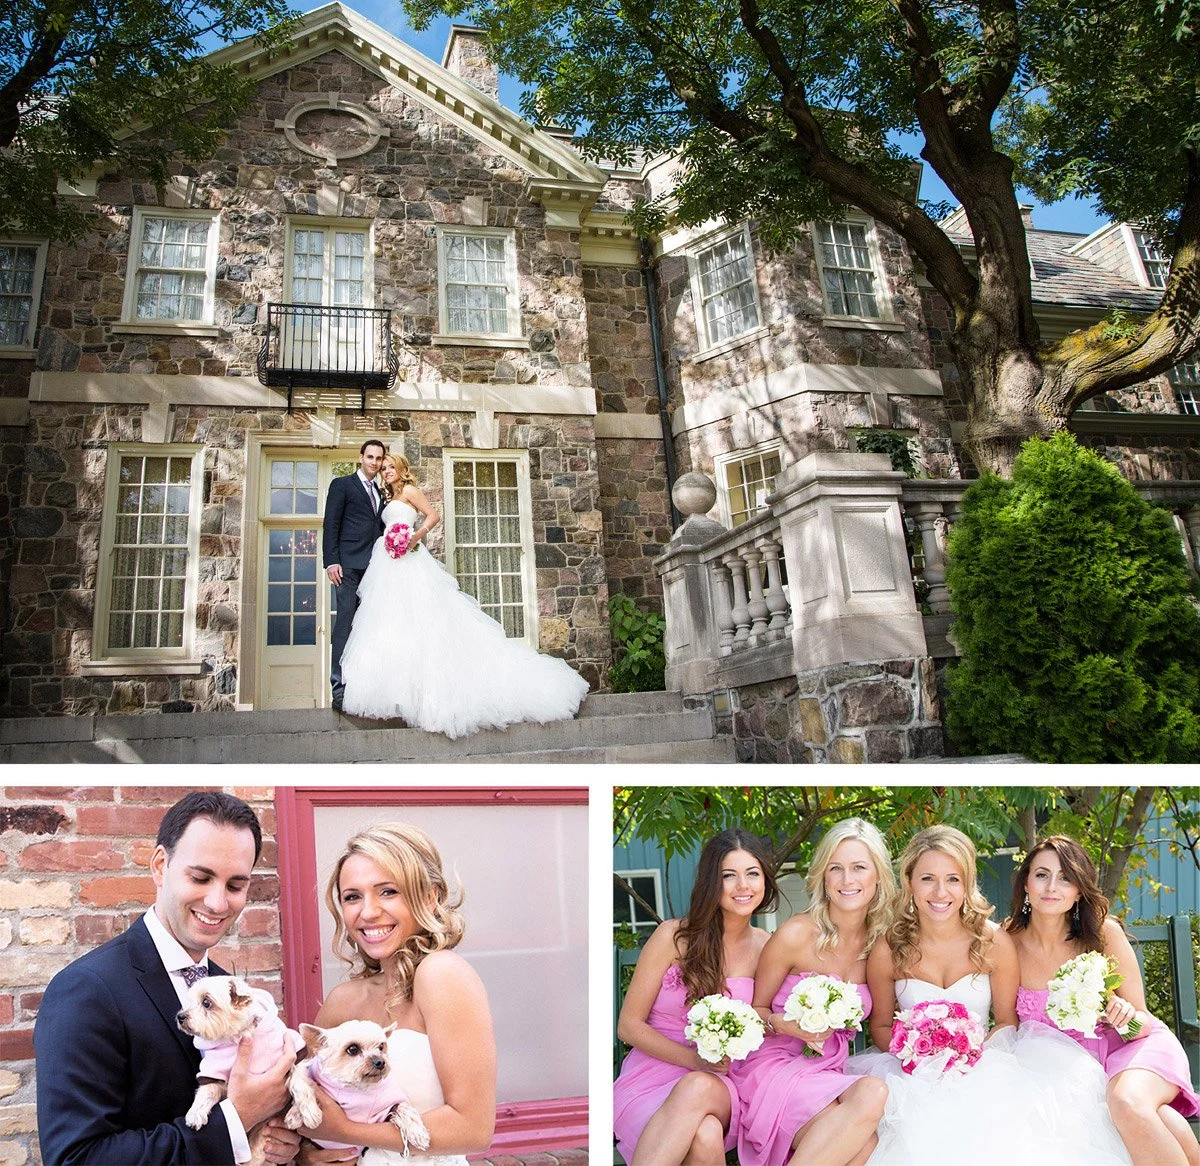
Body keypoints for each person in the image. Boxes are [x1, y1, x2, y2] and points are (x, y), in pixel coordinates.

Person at [35, 792, 299, 1165]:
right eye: (200, 877)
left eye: (235, 886)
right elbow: (76, 1158)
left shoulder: (229, 990)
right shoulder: (87, 989)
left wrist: (274, 1140)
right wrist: (236, 1121)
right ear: (160, 866)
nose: (218, 903)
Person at [853, 824, 1131, 1166]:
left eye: (953, 879)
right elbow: (880, 1027)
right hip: (909, 1074)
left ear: (967, 883)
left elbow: (1006, 1021)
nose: (941, 892)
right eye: (927, 879)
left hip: (983, 1066)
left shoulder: (993, 941)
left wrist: (966, 1058)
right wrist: (916, 1057)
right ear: (909, 881)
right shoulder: (888, 949)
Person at [338, 453, 590, 736]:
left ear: (401, 468)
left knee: (426, 621)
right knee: (394, 625)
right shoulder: (387, 497)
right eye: (383, 468)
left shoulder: (409, 490)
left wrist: (413, 537)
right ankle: (402, 691)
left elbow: (433, 515)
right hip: (388, 565)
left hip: (410, 561)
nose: (386, 472)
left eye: (390, 467)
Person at [294, 822, 496, 1165]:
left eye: (388, 891)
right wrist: (304, 1157)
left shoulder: (442, 974)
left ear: (430, 896)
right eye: (352, 897)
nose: (368, 912)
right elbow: (302, 1106)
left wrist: (344, 1131)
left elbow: (473, 1129)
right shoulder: (343, 1000)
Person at [1007, 836, 1199, 1166]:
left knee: (1126, 1103)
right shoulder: (1007, 940)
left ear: (1079, 889)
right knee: (1161, 1119)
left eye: (1066, 877)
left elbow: (1142, 1023)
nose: (1052, 886)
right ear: (1025, 883)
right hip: (1068, 1070)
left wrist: (1126, 1016)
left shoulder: (1103, 932)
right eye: (1041, 874)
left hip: (1133, 1051)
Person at [613, 828, 778, 1166]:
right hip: (653, 1074)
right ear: (710, 883)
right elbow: (629, 1026)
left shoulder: (768, 947)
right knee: (703, 1136)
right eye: (728, 875)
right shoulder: (673, 937)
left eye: (752, 874)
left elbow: (770, 1019)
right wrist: (695, 1062)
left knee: (698, 1088)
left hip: (724, 1082)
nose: (742, 886)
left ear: (765, 880)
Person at [737, 819, 893, 1166]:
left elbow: (884, 1022)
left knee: (873, 1093)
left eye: (858, 868)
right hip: (773, 1066)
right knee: (863, 1147)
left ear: (878, 875)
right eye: (836, 868)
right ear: (823, 876)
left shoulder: (880, 945)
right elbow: (755, 1011)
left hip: (827, 1070)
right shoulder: (795, 934)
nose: (847, 880)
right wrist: (786, 1023)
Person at [324, 439, 387, 711]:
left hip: (374, 568)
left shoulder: (381, 492)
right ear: (361, 457)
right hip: (347, 567)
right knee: (345, 624)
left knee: (369, 628)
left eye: (378, 458)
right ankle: (339, 688)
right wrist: (331, 561)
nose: (374, 462)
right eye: (370, 457)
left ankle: (365, 687)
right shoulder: (342, 485)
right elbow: (331, 524)